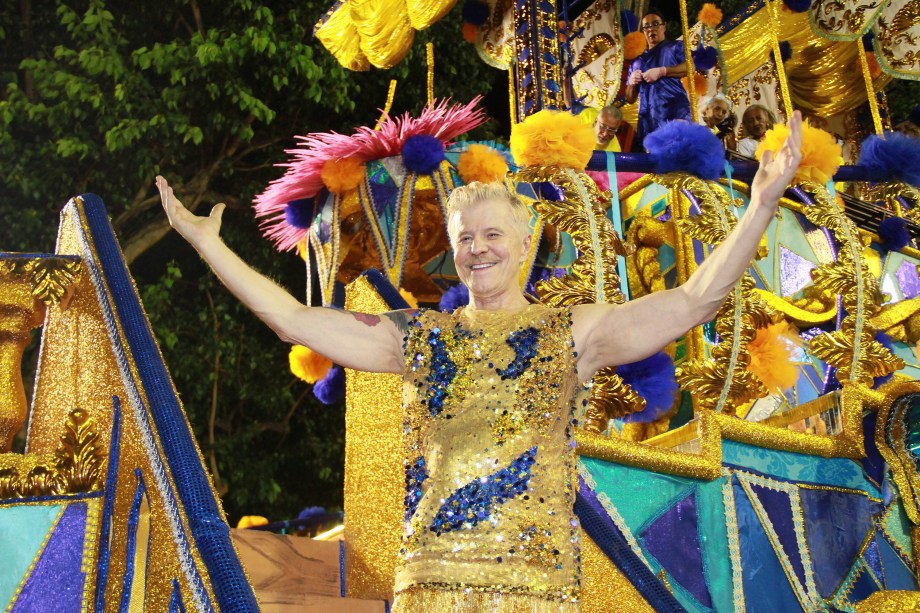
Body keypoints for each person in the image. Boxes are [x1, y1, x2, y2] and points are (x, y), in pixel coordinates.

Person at [155, 111, 803, 612]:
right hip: (434, 579)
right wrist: (212, 248)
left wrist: (762, 206)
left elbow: (693, 299)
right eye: (467, 239)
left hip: (536, 582)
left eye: (493, 234)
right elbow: (295, 321)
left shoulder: (572, 332)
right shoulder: (421, 337)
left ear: (524, 243)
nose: (479, 249)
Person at [624, 9, 690, 148]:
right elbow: (630, 99)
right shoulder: (637, 61)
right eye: (646, 26)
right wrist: (631, 83)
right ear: (643, 31)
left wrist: (663, 71)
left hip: (675, 114)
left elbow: (690, 67)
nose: (651, 29)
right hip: (648, 121)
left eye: (655, 24)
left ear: (663, 26)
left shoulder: (675, 47)